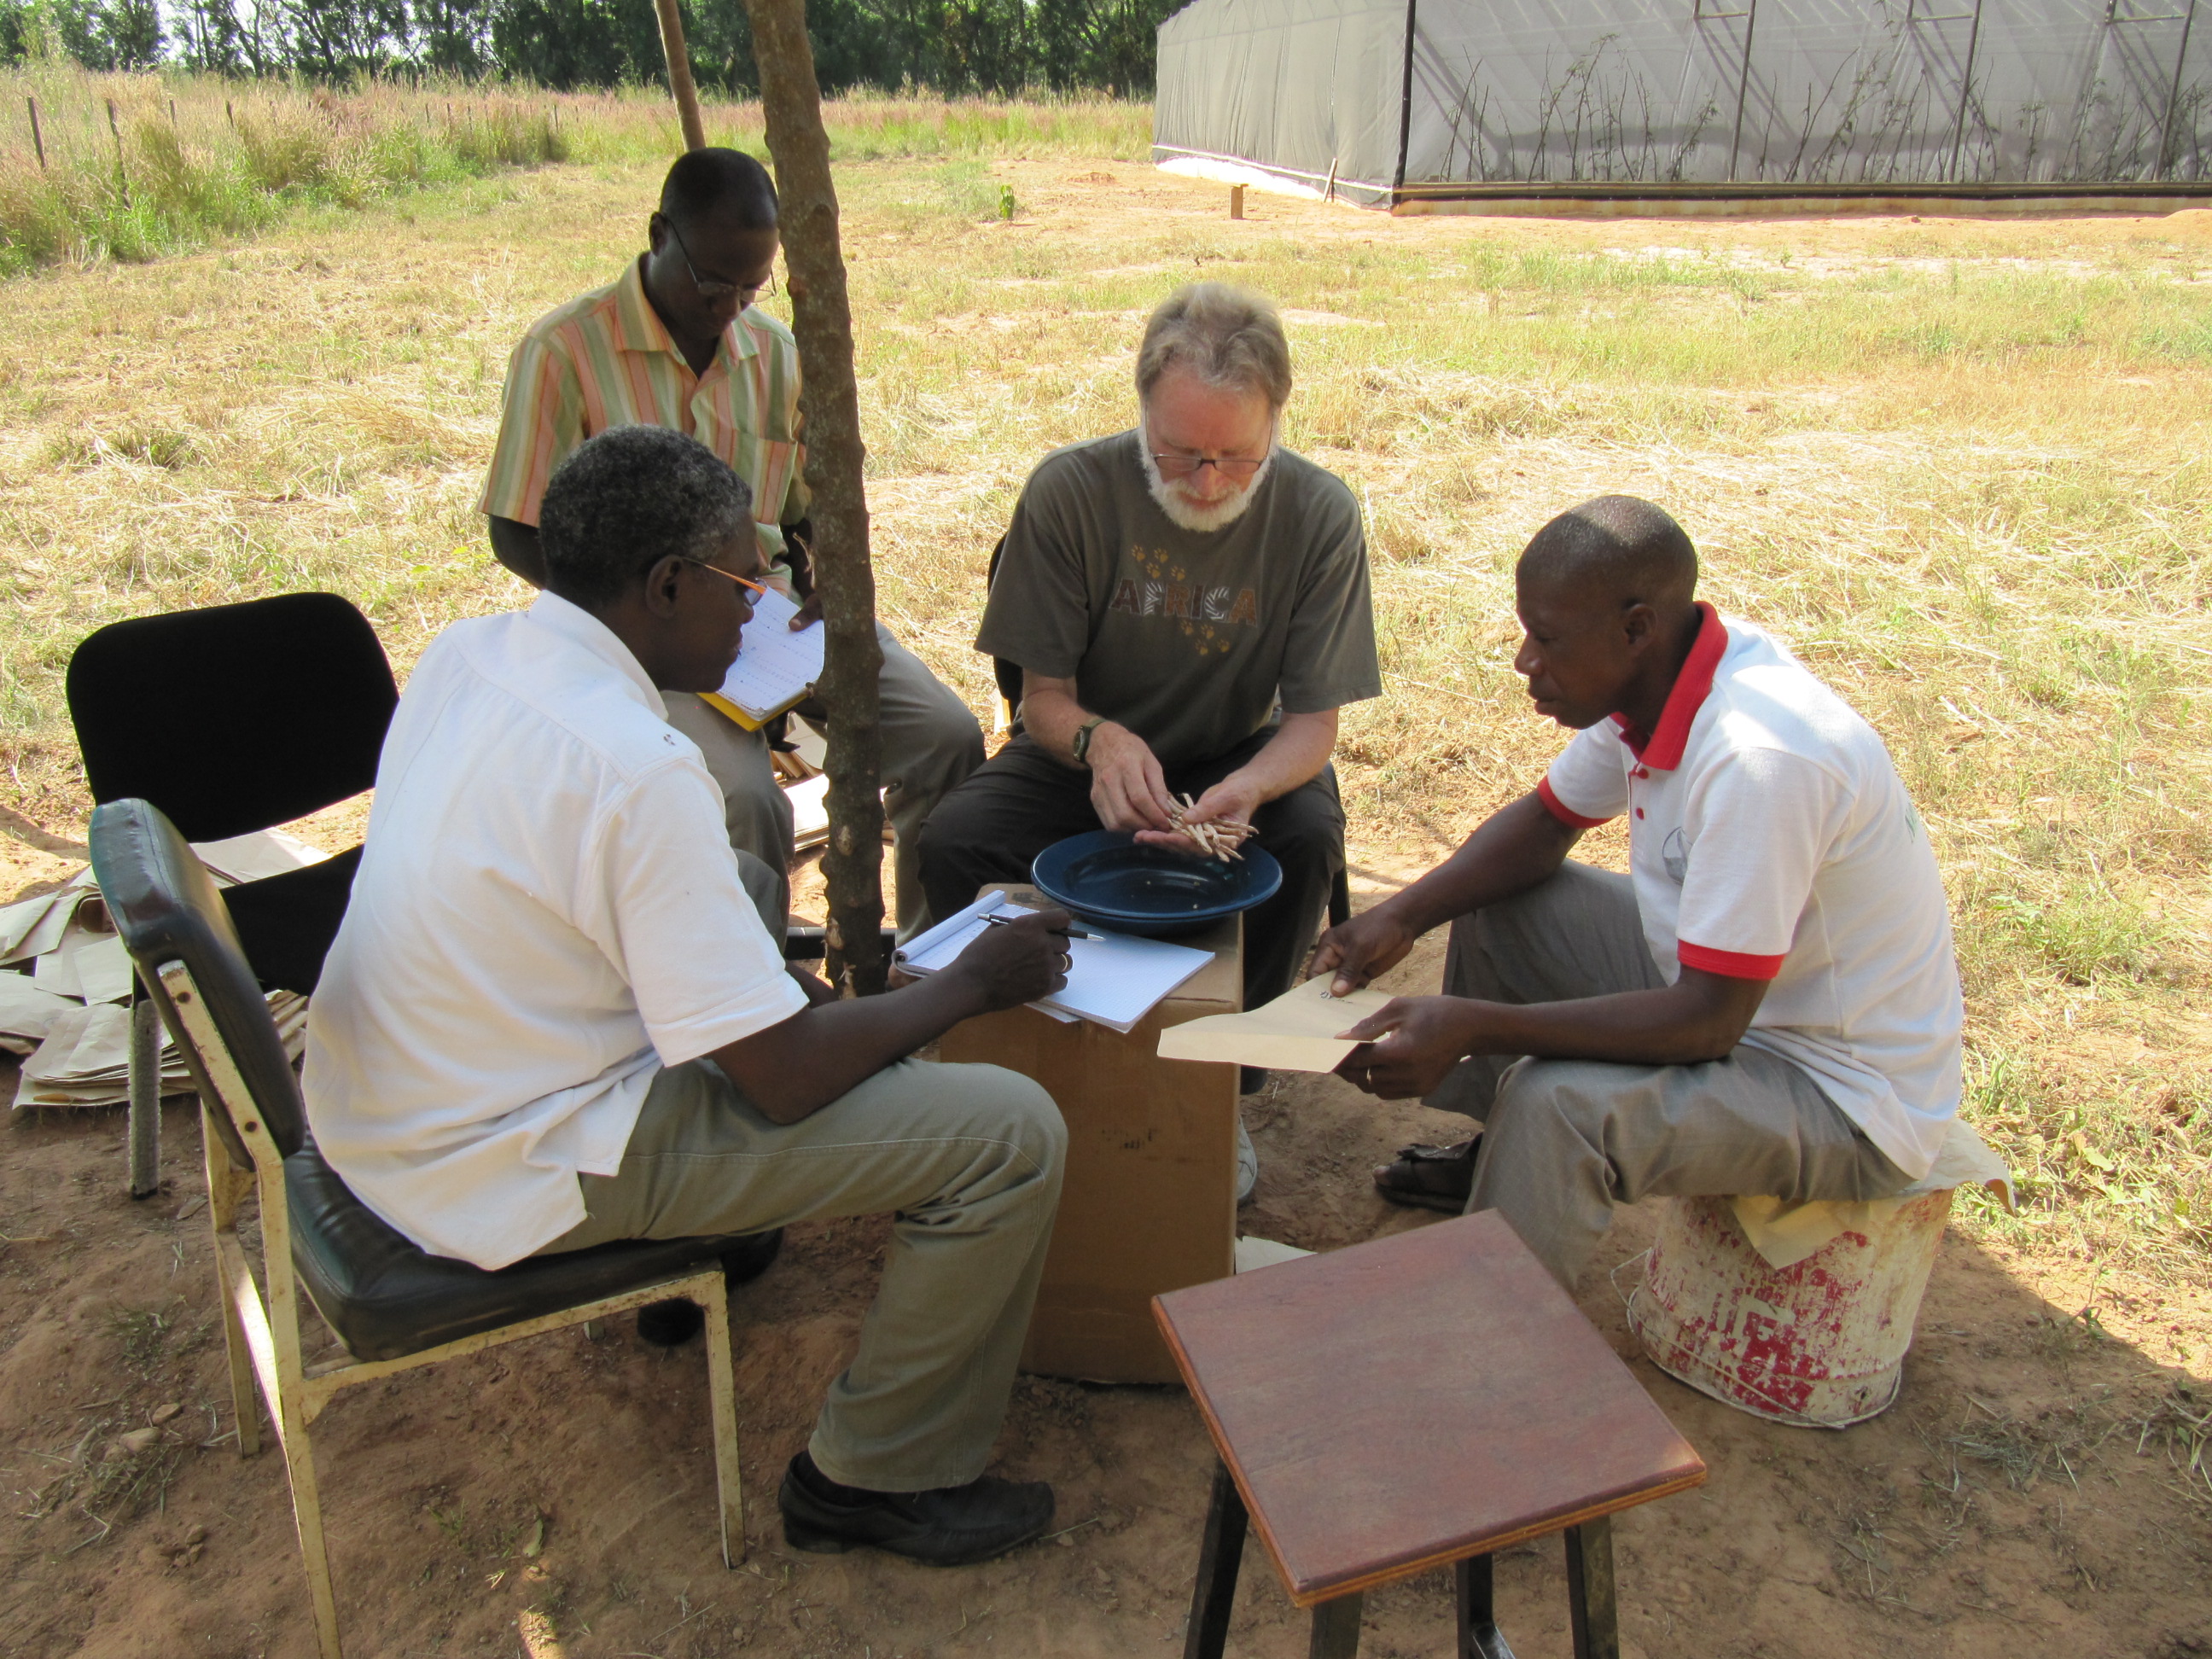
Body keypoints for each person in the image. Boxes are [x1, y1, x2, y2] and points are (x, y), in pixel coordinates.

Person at [307, 426, 1076, 1565]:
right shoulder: (639, 768)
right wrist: (969, 983)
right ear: (666, 586)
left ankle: (730, 1229)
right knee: (1011, 1136)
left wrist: (851, 1003)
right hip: (504, 1152)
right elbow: (780, 1082)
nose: (762, 609)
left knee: (756, 880)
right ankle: (873, 1474)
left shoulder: (470, 652)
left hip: (391, 1093)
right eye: (743, 581)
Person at [1311, 495, 1962, 1292]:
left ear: (1635, 629)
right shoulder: (1658, 684)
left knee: (1559, 1104)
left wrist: (1475, 1025)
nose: (1525, 660)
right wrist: (1397, 915)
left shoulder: (1762, 759)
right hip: (1735, 998)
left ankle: (1483, 1338)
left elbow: (1707, 1024)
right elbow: (1544, 826)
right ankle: (1503, 1167)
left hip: (1837, 1089)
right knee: (1503, 902)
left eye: (1546, 639)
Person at [480, 145, 982, 935]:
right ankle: (763, 1016)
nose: (730, 306)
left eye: (753, 285)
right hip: (653, 637)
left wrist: (829, 579)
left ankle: (923, 968)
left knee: (947, 740)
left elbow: (811, 506)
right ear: (658, 235)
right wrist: (621, 623)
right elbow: (514, 527)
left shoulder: (774, 351)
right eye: (714, 281)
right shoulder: (566, 353)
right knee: (744, 803)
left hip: (771, 619)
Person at [917, 282, 1381, 1023]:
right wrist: (1100, 743)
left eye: (1237, 456)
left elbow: (1312, 727)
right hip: (1083, 757)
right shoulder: (1070, 493)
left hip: (1235, 754)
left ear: (1277, 424)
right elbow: (1042, 699)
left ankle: (1227, 1071)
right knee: (955, 842)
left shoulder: (1318, 514)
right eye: (1181, 452)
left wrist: (1252, 788)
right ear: (1141, 418)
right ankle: (1026, 1041)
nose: (1207, 482)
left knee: (1306, 839)